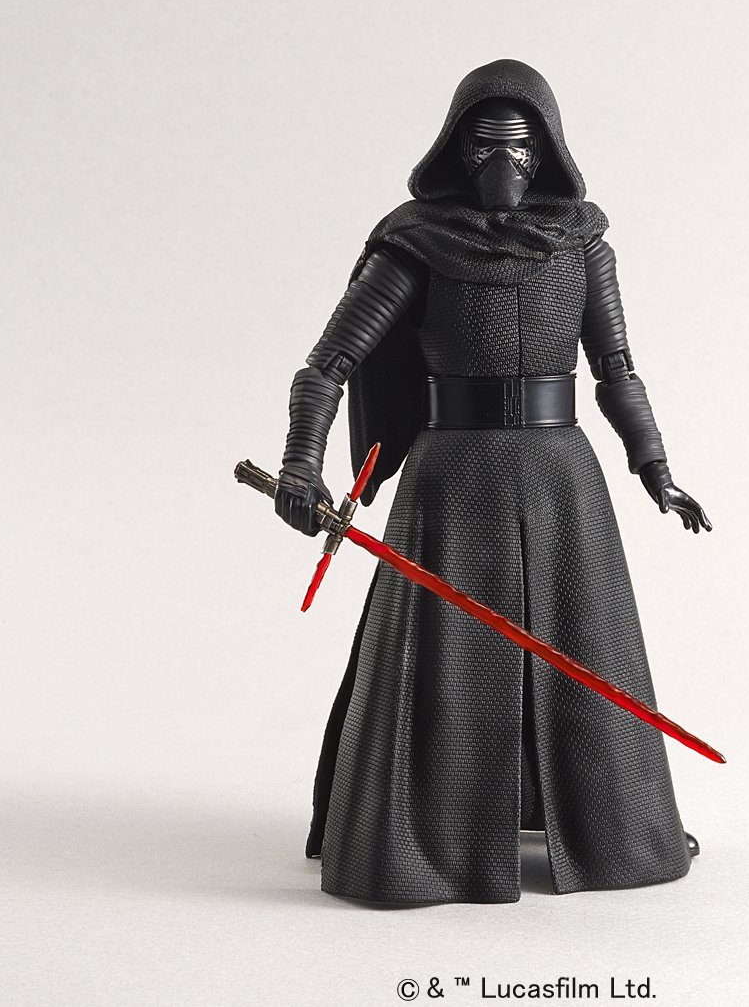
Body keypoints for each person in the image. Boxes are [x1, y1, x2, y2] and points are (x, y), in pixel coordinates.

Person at [275, 59, 712, 904]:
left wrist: (655, 467)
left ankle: (618, 825)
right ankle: (417, 839)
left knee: (586, 647)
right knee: (442, 661)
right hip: (453, 477)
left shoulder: (581, 245)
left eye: (518, 147)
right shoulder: (418, 245)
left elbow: (617, 369)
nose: (502, 166)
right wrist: (302, 462)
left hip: (561, 475)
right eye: (484, 146)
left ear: (546, 153)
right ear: (456, 150)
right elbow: (327, 366)